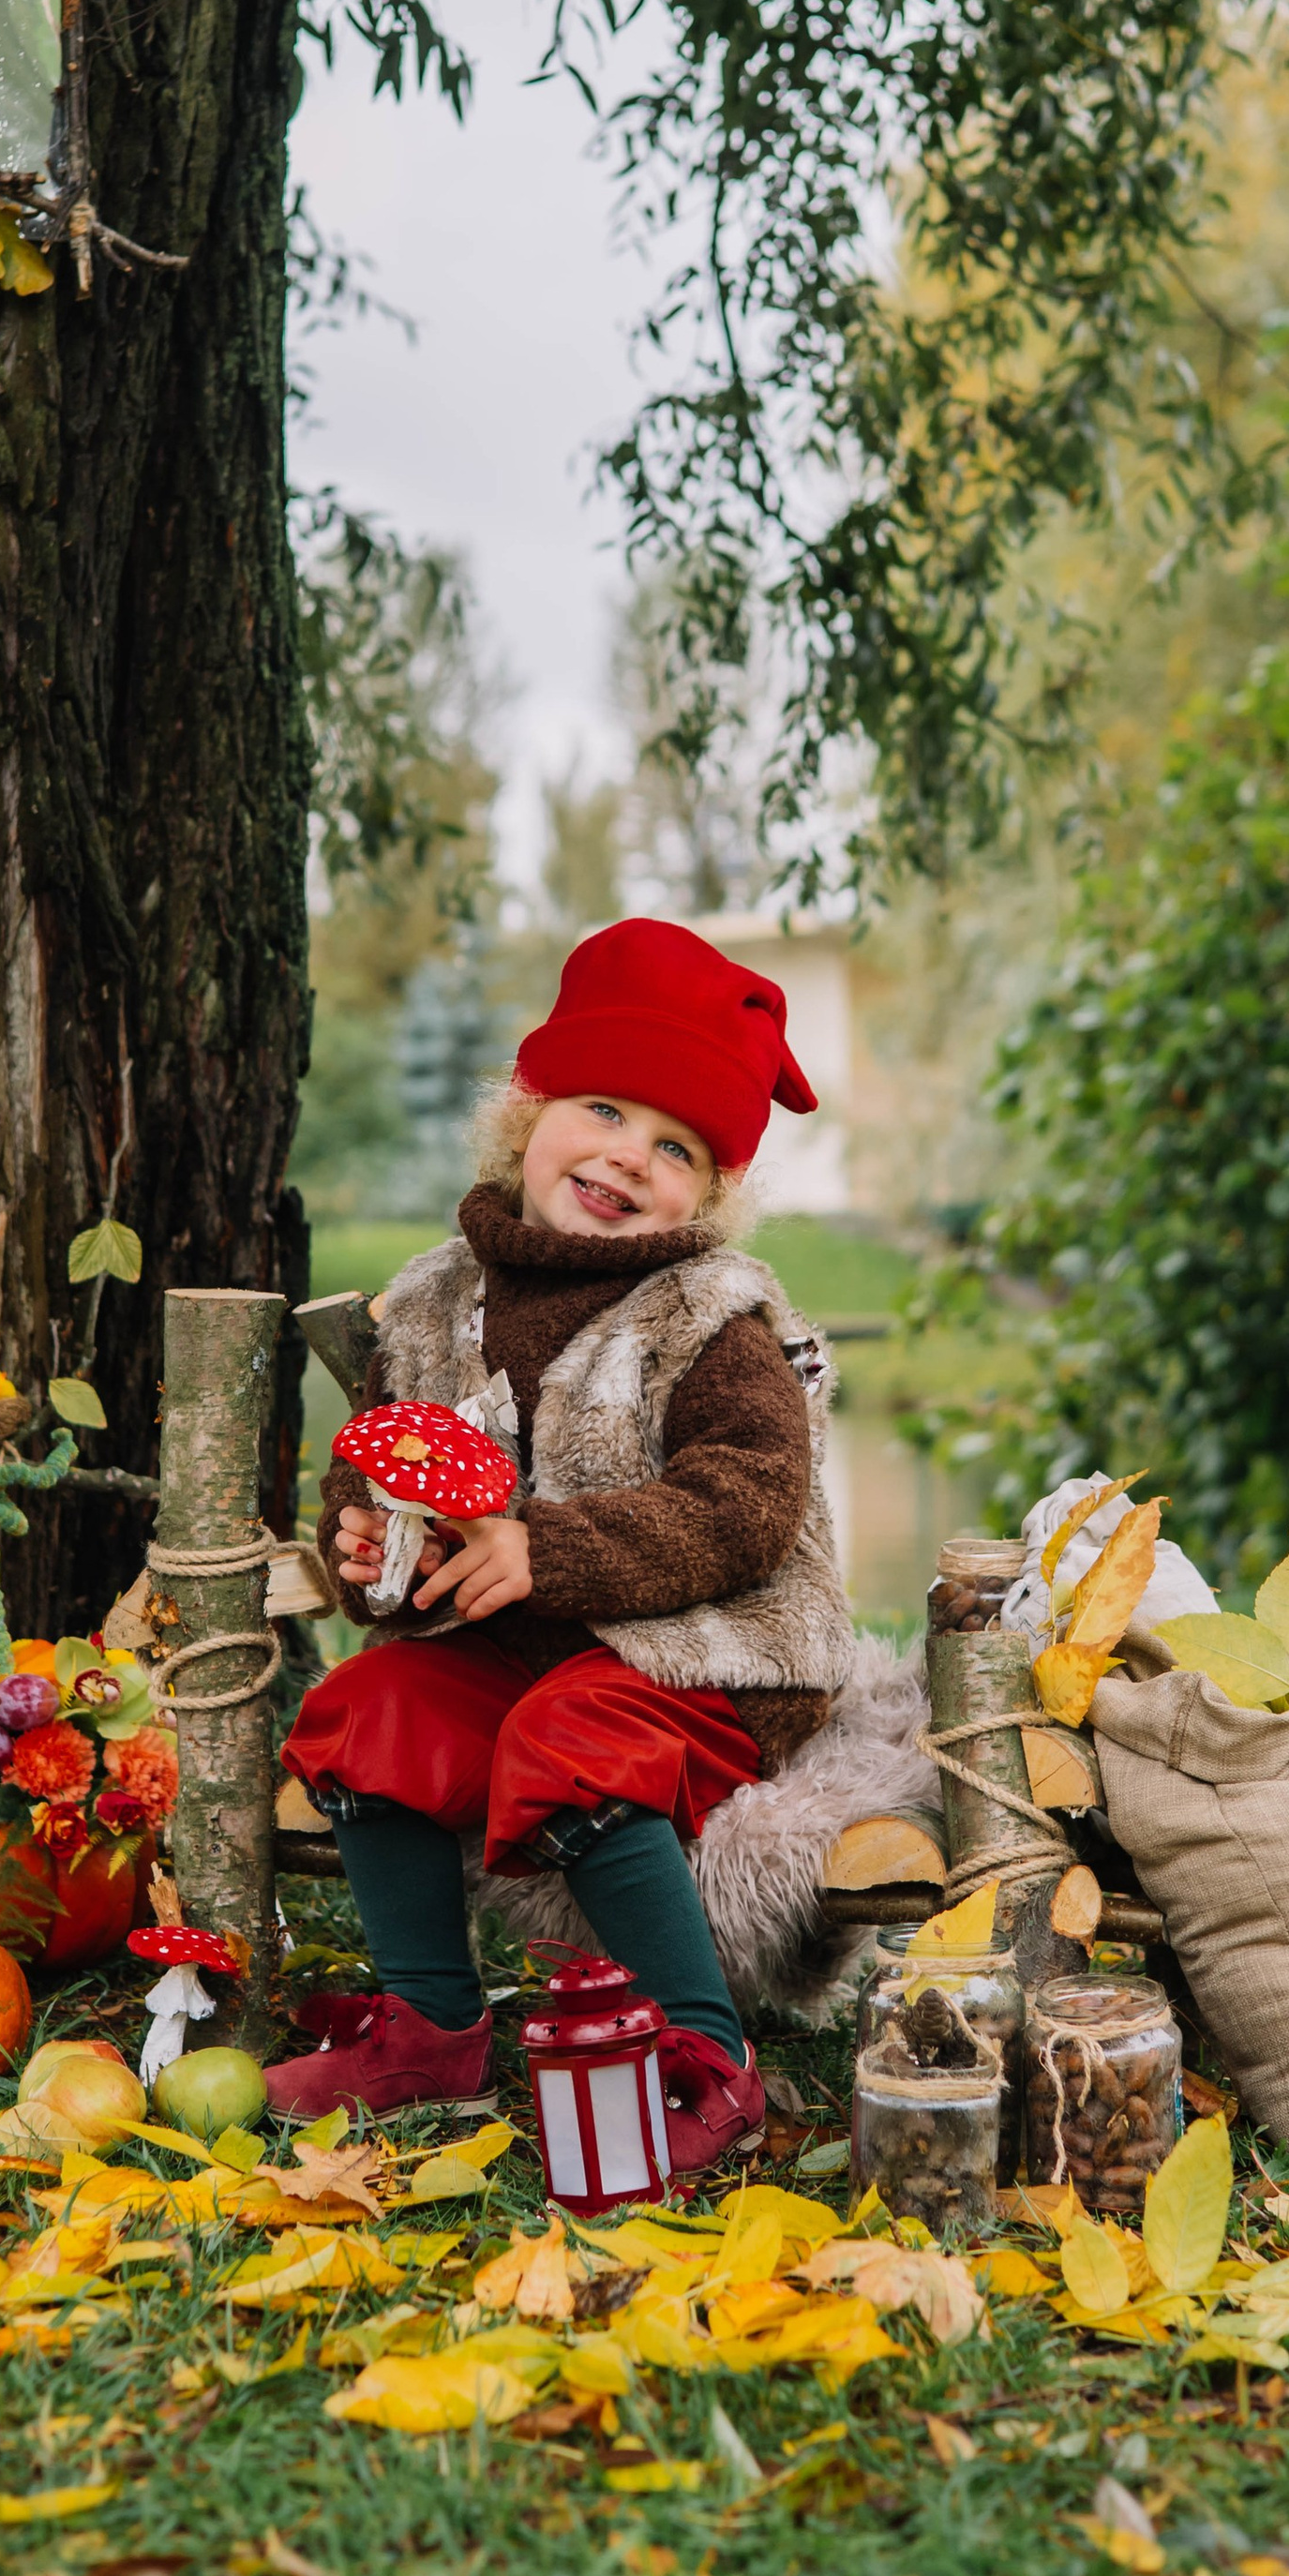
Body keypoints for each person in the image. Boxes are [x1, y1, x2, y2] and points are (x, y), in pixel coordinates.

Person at [273, 916, 857, 2177]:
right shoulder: (433, 1297)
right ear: (527, 1112)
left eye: (676, 1145)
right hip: (523, 1652)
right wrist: (369, 1538)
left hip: (710, 1658)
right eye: (603, 1107)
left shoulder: (713, 1315)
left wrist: (548, 1550)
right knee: (366, 1705)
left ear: (708, 1191)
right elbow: (378, 1457)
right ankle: (432, 2025)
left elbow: (741, 1504)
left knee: (570, 1733)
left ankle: (711, 2060)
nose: (627, 1156)